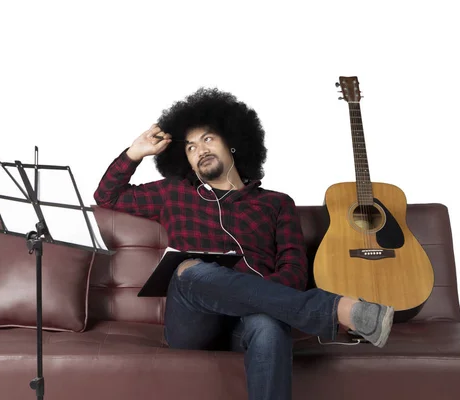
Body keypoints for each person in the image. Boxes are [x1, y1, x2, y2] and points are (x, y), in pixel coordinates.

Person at [93, 87, 394, 400]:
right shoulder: (174, 193)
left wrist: (253, 296)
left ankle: (316, 310)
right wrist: (134, 153)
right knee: (189, 269)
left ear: (232, 142)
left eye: (208, 139)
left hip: (251, 322)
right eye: (191, 147)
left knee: (268, 325)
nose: (200, 150)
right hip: (193, 321)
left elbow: (292, 270)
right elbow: (107, 197)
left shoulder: (276, 204)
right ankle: (335, 309)